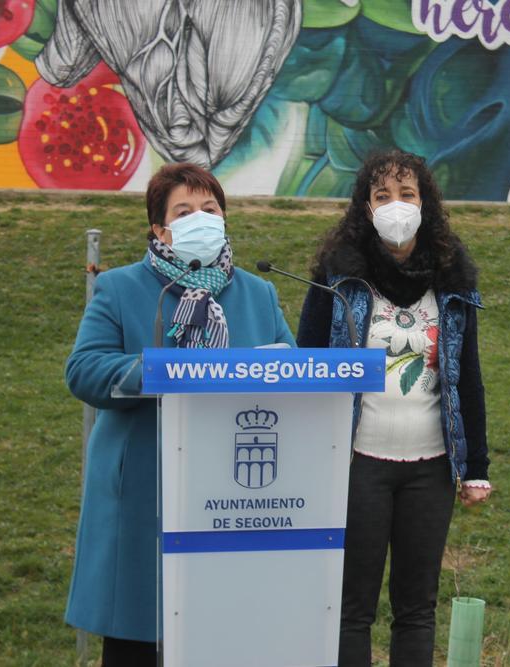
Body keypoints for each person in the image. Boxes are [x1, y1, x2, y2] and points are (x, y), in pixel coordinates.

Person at [64, 163, 295, 665]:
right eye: (184, 211)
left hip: (233, 492)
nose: (201, 218)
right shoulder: (121, 288)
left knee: (224, 636)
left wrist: (272, 370)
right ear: (160, 228)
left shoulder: (260, 293)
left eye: (210, 209)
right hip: (147, 487)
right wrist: (168, 371)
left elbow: (294, 373)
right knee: (139, 641)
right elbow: (84, 370)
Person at [296, 150, 492, 665]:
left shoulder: (451, 280)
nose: (396, 206)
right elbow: (307, 365)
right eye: (383, 196)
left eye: (407, 194)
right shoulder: (335, 277)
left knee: (417, 608)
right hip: (356, 462)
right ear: (365, 207)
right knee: (351, 607)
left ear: (425, 204)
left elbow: (466, 377)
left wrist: (476, 467)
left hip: (431, 466)